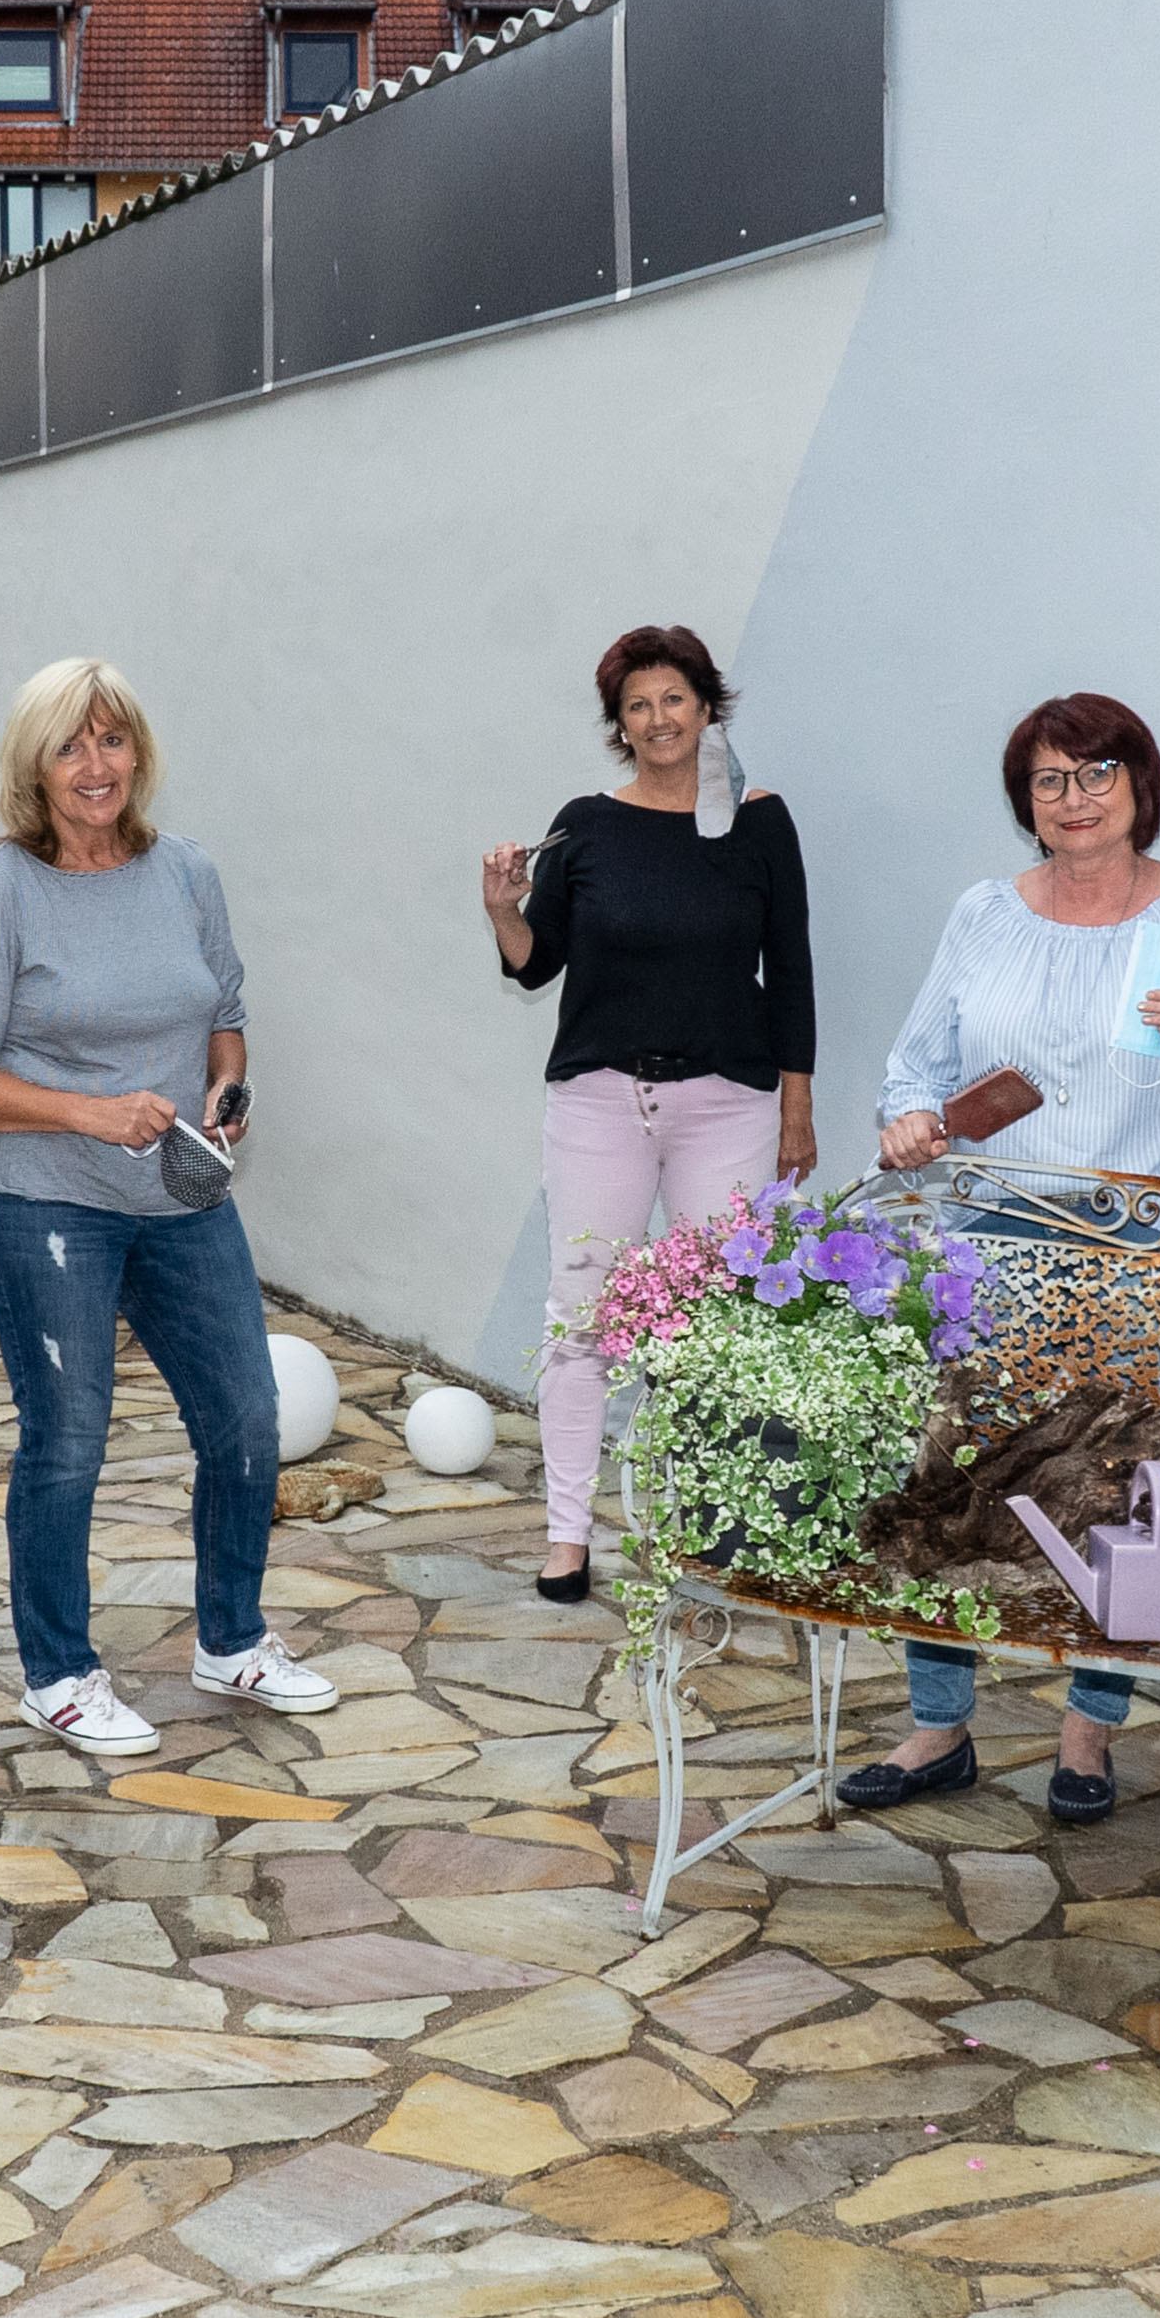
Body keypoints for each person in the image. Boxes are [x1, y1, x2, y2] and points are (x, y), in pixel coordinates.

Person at [861, 692, 1160, 1825]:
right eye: (1052, 779)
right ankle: (937, 1722)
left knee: (1128, 1494)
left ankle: (1087, 1732)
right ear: (1027, 801)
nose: (1076, 797)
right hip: (1000, 1234)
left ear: (1138, 784)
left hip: (1152, 1241)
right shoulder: (983, 916)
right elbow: (914, 1067)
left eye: (1097, 772)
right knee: (949, 1475)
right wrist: (910, 1122)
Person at [0, 657, 338, 1755]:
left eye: (112, 740)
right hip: (46, 1200)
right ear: (35, 767)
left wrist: (226, 1087)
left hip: (183, 1198)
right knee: (68, 1441)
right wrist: (89, 1114)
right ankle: (56, 1672)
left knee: (246, 1419)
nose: (95, 764)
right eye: (70, 745)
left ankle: (231, 1638)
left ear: (137, 753)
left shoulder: (186, 872)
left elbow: (224, 1011)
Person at [481, 626, 816, 1604]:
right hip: (599, 1101)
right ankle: (568, 1535)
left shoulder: (761, 822)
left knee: (723, 1321)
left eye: (674, 698)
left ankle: (711, 1522)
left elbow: (790, 971)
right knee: (582, 1315)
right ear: (618, 724)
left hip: (731, 1107)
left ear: (707, 706)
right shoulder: (586, 823)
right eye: (638, 705)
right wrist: (504, 905)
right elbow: (535, 960)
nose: (658, 718)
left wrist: (798, 1108)